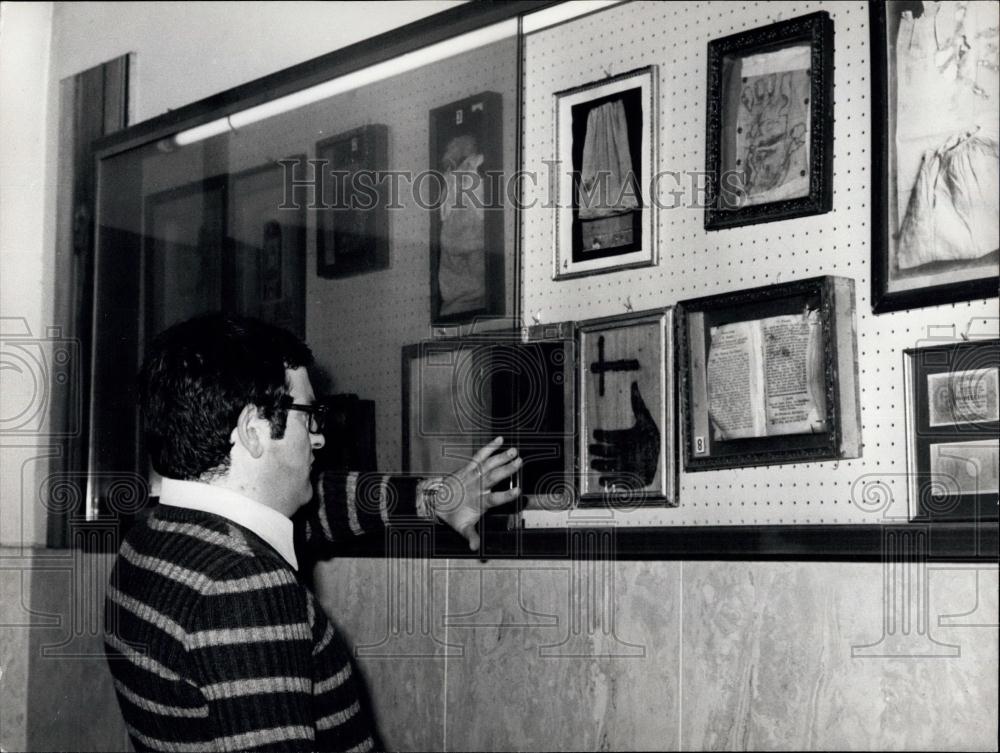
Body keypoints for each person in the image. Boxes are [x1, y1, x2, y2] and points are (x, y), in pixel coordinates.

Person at [103, 313, 521, 752]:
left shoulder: (154, 535)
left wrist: (433, 498)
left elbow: (321, 506)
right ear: (252, 431)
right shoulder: (244, 585)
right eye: (309, 416)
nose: (319, 439)